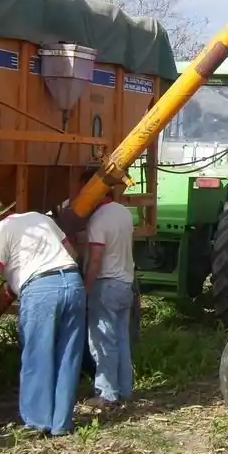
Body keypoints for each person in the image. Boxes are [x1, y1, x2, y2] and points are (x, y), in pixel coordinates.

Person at [0, 198, 85, 436]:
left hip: (41, 289)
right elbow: (71, 251)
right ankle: (62, 424)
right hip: (73, 282)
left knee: (37, 355)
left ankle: (37, 422)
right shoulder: (40, 218)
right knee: (68, 355)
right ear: (10, 211)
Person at [76, 168, 137, 408]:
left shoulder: (98, 220)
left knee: (102, 341)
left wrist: (87, 288)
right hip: (125, 283)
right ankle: (124, 389)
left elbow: (96, 258)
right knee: (121, 338)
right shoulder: (124, 213)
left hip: (105, 285)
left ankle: (107, 393)